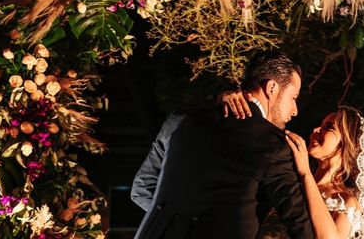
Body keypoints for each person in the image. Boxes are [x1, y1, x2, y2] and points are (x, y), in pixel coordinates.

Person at [131, 50, 314, 239]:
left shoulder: (181, 121)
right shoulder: (273, 144)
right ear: (272, 88)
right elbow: (298, 222)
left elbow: (143, 189)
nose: (295, 111)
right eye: (294, 98)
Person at [222, 97, 364, 239]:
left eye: (328, 127)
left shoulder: (346, 201)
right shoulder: (290, 172)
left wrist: (305, 171)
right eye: (321, 125)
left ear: (347, 144)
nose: (316, 130)